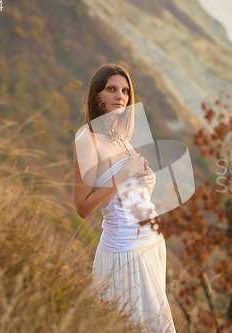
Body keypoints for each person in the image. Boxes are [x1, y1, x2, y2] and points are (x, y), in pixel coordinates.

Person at [73, 63, 176, 333]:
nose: (120, 96)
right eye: (111, 89)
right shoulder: (88, 139)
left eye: (125, 90)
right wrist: (125, 173)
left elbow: (131, 196)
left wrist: (144, 178)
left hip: (151, 243)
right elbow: (83, 208)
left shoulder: (121, 136)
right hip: (125, 252)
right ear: (96, 96)